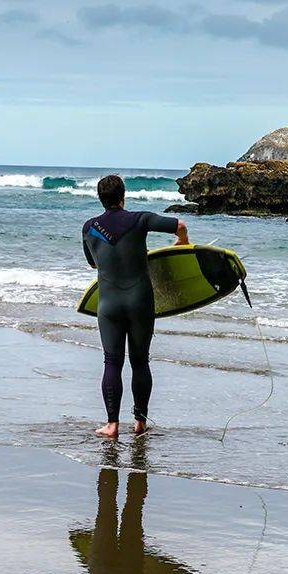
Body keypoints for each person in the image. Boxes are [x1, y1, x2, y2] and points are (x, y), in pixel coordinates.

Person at [81, 175, 189, 439]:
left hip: (109, 305)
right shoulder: (140, 219)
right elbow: (180, 224)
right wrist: (182, 244)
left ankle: (112, 425)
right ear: (123, 196)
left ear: (100, 198)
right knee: (140, 362)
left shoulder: (89, 228)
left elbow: (93, 264)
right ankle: (140, 422)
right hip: (140, 301)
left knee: (112, 362)